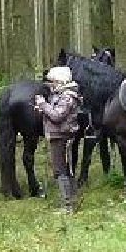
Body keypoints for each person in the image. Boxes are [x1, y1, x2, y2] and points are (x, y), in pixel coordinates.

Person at [33, 67, 84, 212]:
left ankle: (68, 205)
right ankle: (71, 200)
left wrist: (43, 105)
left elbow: (57, 116)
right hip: (59, 135)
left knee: (60, 171)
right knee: (64, 169)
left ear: (61, 81)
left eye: (53, 81)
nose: (51, 85)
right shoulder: (62, 95)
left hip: (61, 136)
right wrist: (44, 109)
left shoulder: (67, 97)